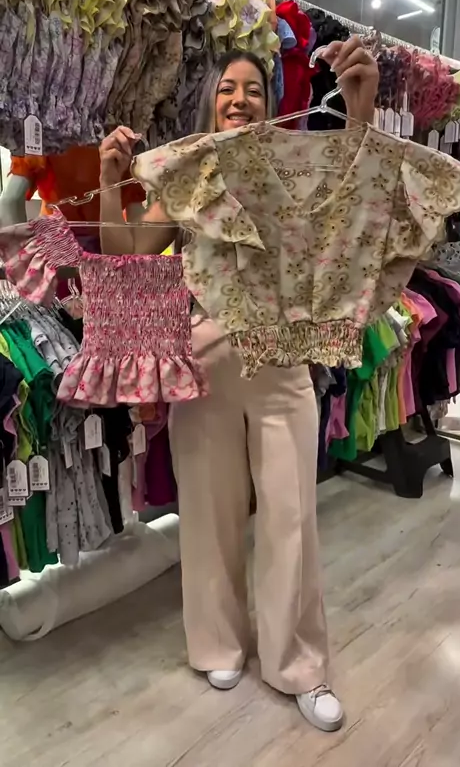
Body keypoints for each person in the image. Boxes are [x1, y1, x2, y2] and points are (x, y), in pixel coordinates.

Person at [99, 37, 379, 732]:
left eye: (253, 88)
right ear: (210, 101)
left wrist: (361, 113)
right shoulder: (190, 171)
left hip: (283, 362)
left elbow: (355, 207)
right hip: (204, 362)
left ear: (272, 102)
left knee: (291, 516)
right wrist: (108, 181)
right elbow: (127, 256)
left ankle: (300, 665)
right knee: (209, 512)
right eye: (227, 88)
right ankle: (216, 643)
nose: (239, 98)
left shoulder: (295, 168)